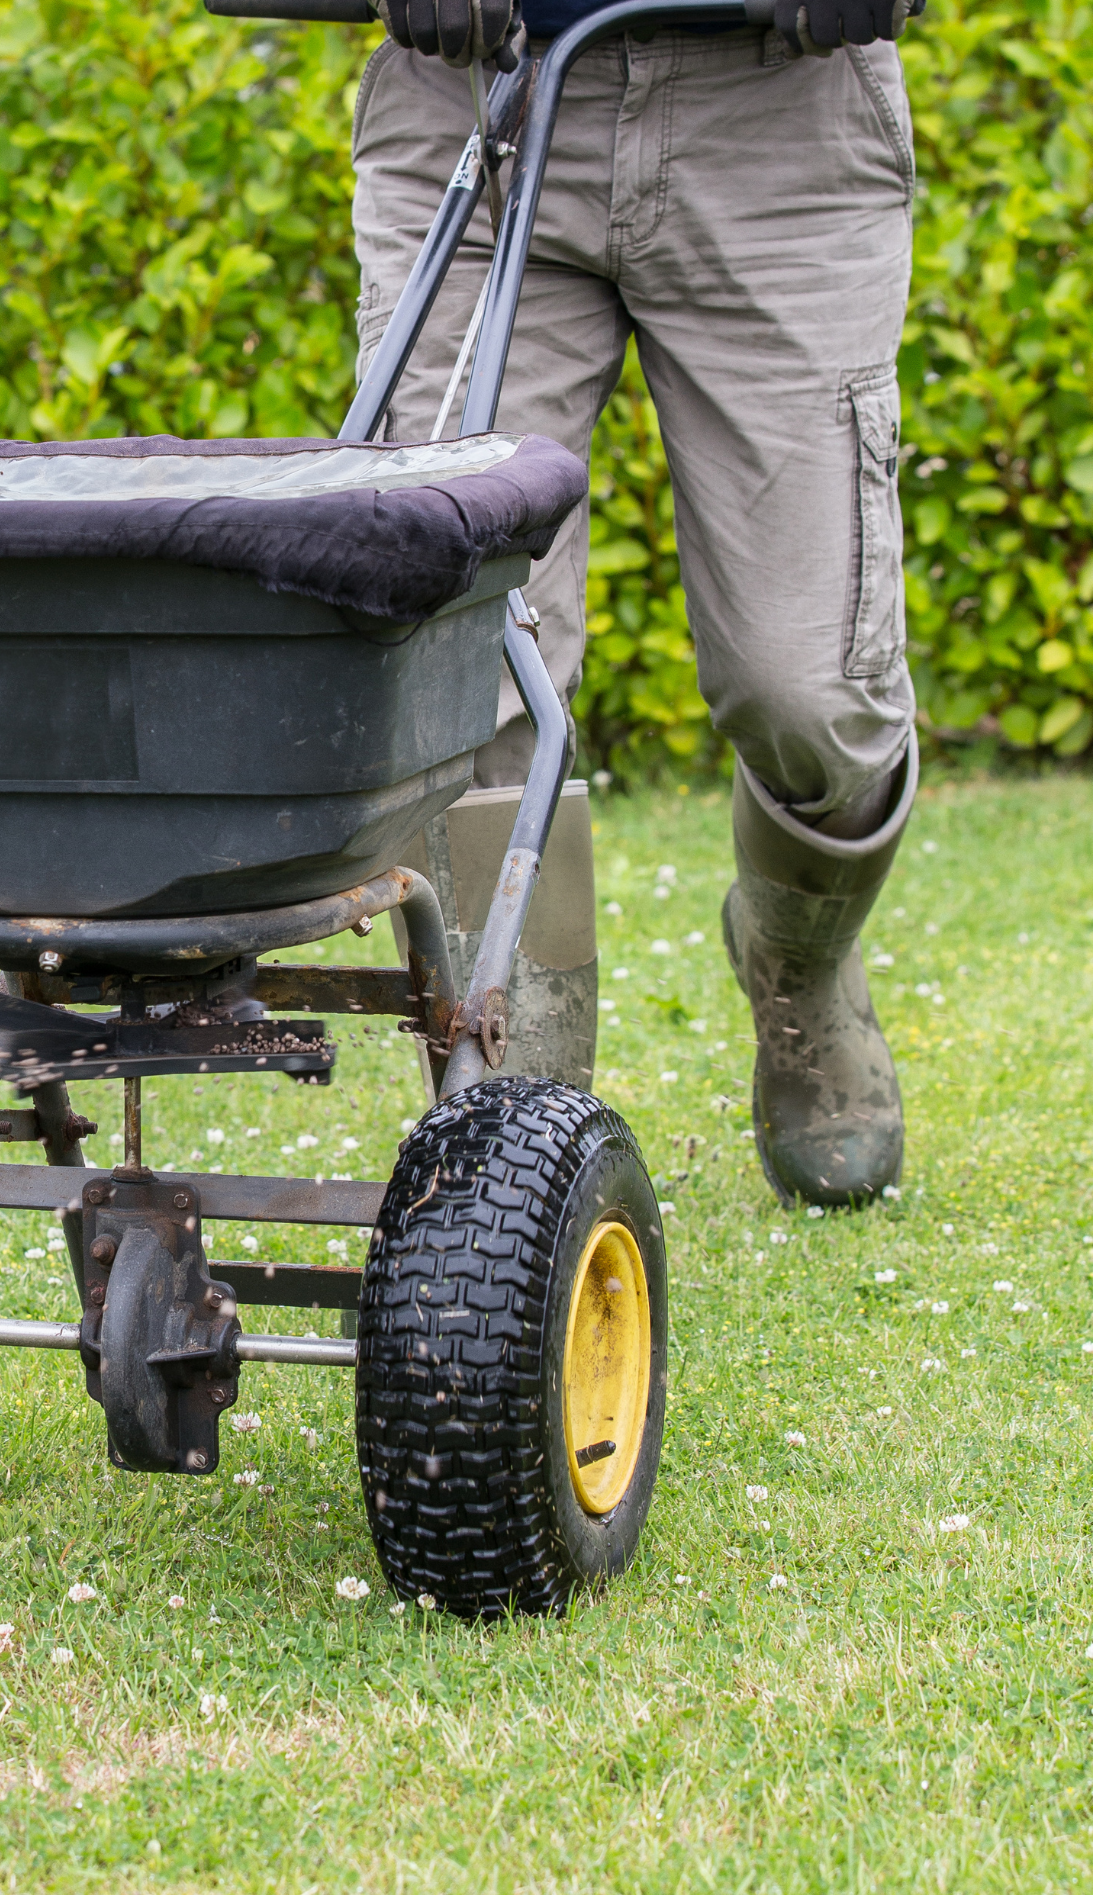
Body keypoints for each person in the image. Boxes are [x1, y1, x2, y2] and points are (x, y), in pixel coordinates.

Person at [355, 0, 919, 1206]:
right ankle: (515, 1133)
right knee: (472, 661)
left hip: (778, 110)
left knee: (812, 691)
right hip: (480, 99)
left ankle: (799, 962)